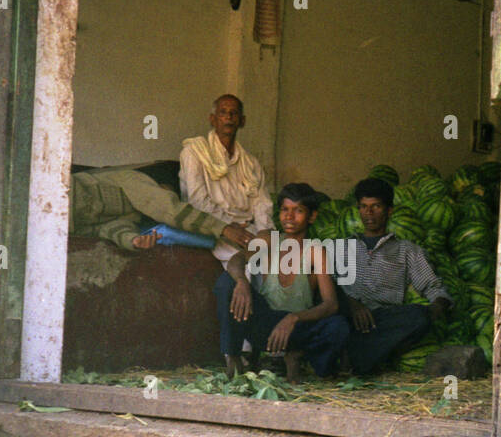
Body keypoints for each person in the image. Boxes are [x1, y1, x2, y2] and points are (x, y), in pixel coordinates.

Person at [216, 183, 348, 380]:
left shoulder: (315, 251)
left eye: (298, 211)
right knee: (228, 282)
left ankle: (298, 358)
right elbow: (236, 260)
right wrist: (242, 282)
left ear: (311, 216)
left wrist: (293, 318)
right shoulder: (268, 239)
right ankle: (233, 357)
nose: (289, 216)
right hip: (265, 326)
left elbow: (331, 304)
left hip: (297, 330)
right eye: (285, 209)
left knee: (338, 325)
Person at [343, 177, 453, 374]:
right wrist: (353, 304)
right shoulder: (342, 247)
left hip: (383, 322)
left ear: (389, 210)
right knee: (330, 318)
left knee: (418, 316)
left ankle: (358, 358)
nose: (368, 213)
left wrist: (436, 308)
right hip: (347, 316)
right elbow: (328, 287)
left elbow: (433, 287)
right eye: (363, 206)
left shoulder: (407, 250)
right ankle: (369, 357)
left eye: (376, 206)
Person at [179, 95, 275, 266]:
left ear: (242, 121)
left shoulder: (250, 162)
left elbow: (261, 201)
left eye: (234, 113)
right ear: (213, 119)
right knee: (253, 266)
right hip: (213, 228)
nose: (229, 117)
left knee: (285, 254)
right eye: (223, 112)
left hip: (247, 228)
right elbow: (197, 201)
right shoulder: (194, 153)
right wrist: (229, 227)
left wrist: (264, 230)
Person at [70, 164, 253, 253]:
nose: (169, 195)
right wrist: (223, 228)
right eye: (169, 191)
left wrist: (133, 241)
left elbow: (108, 229)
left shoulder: (135, 216)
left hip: (62, 225)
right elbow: (169, 208)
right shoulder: (133, 179)